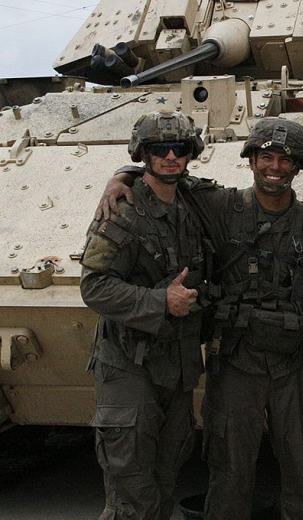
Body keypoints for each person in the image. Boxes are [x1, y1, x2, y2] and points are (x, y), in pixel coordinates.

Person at [100, 118, 303, 520]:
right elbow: (167, 171)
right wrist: (121, 175)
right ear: (250, 160)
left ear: (298, 166)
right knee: (230, 474)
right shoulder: (220, 207)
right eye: (266, 156)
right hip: (236, 361)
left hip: (296, 365)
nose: (275, 167)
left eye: (286, 160)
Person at [80, 110, 208, 520]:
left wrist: (122, 173)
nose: (170, 157)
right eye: (158, 149)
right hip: (127, 365)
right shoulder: (122, 211)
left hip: (176, 365)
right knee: (132, 492)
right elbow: (94, 285)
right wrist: (159, 302)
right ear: (143, 154)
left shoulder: (194, 202)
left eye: (180, 148)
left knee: (165, 480)